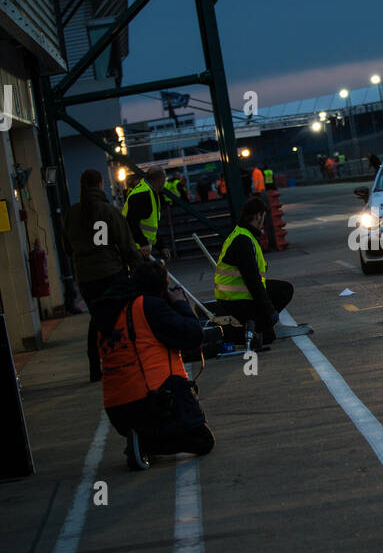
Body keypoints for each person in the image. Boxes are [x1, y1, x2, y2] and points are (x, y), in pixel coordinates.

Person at [94, 262, 215, 470]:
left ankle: (142, 436)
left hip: (117, 410)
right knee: (203, 440)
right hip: (152, 400)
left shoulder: (109, 311)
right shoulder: (148, 306)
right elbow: (194, 335)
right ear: (160, 286)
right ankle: (146, 441)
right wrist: (180, 304)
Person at [63, 169, 144, 382]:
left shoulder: (72, 213)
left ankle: (94, 367)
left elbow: (66, 247)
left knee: (97, 318)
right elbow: (125, 242)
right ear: (100, 184)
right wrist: (139, 266)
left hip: (86, 277)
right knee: (119, 317)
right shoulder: (108, 211)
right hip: (110, 272)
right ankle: (123, 360)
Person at [213, 198, 306, 344]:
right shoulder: (243, 240)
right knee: (281, 295)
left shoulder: (241, 233)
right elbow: (253, 281)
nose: (263, 220)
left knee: (283, 289)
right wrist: (269, 311)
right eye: (263, 216)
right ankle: (253, 330)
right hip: (237, 299)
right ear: (258, 216)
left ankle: (259, 326)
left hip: (233, 295)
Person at [122, 168, 166, 257]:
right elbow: (131, 222)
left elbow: (151, 226)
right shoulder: (143, 194)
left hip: (140, 247)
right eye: (164, 180)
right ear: (160, 180)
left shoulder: (148, 191)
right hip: (136, 248)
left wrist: (161, 246)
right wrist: (143, 243)